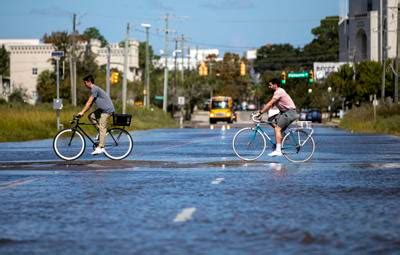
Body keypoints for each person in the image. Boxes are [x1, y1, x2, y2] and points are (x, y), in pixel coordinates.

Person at [255, 78, 298, 157]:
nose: (269, 86)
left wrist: (261, 112)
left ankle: (278, 150)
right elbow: (271, 105)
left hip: (289, 113)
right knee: (270, 120)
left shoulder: (279, 92)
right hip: (284, 113)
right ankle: (282, 135)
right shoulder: (277, 92)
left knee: (277, 129)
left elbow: (270, 103)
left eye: (270, 85)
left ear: (275, 85)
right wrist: (260, 113)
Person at [78, 75, 115, 155]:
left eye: (85, 83)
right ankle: (100, 132)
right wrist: (84, 112)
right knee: (91, 116)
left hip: (107, 110)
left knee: (102, 126)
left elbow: (89, 102)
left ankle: (101, 147)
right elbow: (90, 104)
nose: (85, 85)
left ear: (89, 82)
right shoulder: (93, 90)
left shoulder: (94, 89)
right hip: (102, 110)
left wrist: (82, 112)